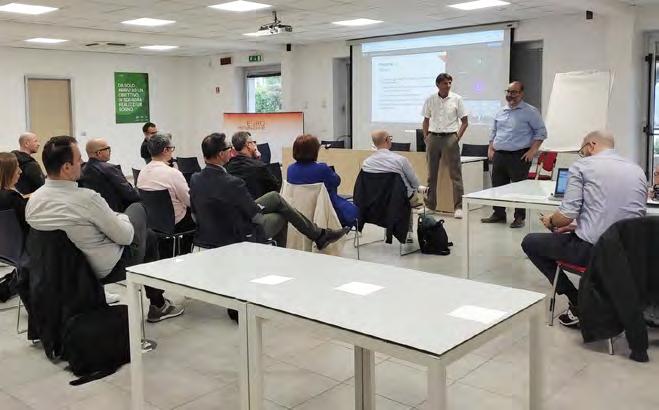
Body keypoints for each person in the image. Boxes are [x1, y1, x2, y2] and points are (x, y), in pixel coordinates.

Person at [25, 136, 183, 322]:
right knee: (141, 218)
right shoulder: (86, 199)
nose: (82, 163)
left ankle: (155, 303)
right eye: (78, 159)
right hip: (100, 269)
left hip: (56, 270)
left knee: (140, 233)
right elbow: (126, 237)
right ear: (66, 167)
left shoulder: (34, 200)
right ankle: (158, 305)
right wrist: (121, 217)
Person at [521, 131, 647, 328]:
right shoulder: (636, 170)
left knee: (530, 242)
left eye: (582, 150)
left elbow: (565, 216)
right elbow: (615, 213)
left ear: (592, 145)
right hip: (632, 253)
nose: (583, 154)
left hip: (595, 251)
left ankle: (578, 301)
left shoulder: (583, 166)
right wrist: (576, 226)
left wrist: (552, 221)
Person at [190, 132, 349, 250]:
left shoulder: (195, 178)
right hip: (238, 232)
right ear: (221, 154)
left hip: (208, 232)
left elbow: (194, 214)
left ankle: (319, 235)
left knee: (275, 198)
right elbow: (254, 215)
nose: (231, 150)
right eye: (228, 148)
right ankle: (312, 238)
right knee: (283, 213)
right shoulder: (233, 183)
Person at [481, 81, 547, 228]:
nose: (510, 95)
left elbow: (541, 132)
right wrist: (491, 148)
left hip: (519, 156)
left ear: (521, 93)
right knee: (497, 186)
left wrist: (533, 151)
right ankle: (499, 214)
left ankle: (519, 217)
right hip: (500, 155)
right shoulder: (500, 111)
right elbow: (494, 131)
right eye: (508, 92)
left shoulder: (530, 111)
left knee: (519, 188)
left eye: (514, 92)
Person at [137, 133, 195, 255]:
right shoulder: (173, 173)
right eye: (171, 149)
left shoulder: (142, 172)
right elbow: (189, 201)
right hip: (176, 222)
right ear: (165, 150)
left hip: (152, 222)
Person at [421, 73, 468, 218]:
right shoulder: (430, 99)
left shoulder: (457, 99)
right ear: (438, 85)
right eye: (445, 83)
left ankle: (458, 207)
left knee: (455, 174)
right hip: (433, 137)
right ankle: (430, 205)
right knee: (431, 174)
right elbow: (426, 120)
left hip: (450, 137)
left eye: (449, 83)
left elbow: (465, 122)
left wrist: (456, 138)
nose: (448, 85)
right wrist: (426, 137)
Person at [287, 134, 358, 228]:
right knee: (354, 211)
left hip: (299, 212)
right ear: (314, 151)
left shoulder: (290, 169)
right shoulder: (322, 168)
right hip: (324, 210)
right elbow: (336, 181)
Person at [362, 130, 428, 202]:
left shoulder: (366, 163)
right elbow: (415, 184)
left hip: (375, 200)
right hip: (399, 200)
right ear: (387, 140)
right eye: (390, 138)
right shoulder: (401, 160)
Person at [81, 138, 139, 212]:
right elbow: (130, 194)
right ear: (99, 153)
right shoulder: (109, 169)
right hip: (116, 213)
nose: (110, 151)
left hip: (94, 211)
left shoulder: (82, 170)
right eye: (108, 148)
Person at [225, 131, 281, 199]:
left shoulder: (227, 167)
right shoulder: (259, 166)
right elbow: (276, 188)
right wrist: (258, 160)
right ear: (248, 145)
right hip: (256, 204)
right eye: (253, 142)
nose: (255, 145)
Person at [0, 152, 28, 235]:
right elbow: (27, 222)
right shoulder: (11, 197)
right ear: (8, 172)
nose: (20, 171)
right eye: (17, 167)